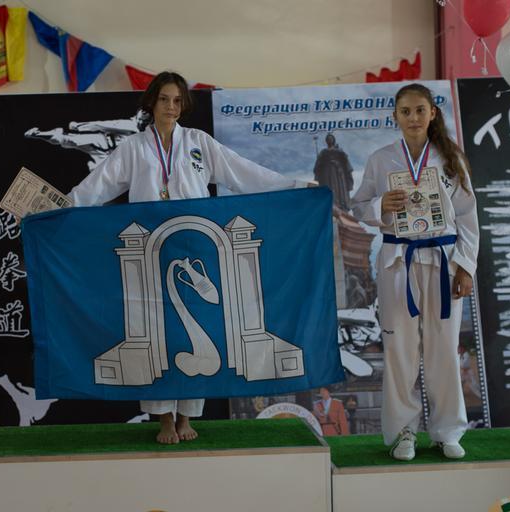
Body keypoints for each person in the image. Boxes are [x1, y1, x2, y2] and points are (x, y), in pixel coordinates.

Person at [69, 71, 303, 444]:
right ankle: (163, 417)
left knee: (198, 329)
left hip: (196, 250)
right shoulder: (134, 148)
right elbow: (99, 185)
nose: (171, 107)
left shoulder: (198, 142)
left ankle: (187, 416)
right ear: (151, 102)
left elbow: (242, 173)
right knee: (157, 332)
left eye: (177, 100)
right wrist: (61, 206)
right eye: (164, 99)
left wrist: (295, 187)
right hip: (150, 251)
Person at [351, 83, 479, 461]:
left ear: (432, 113)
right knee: (400, 350)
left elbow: (468, 216)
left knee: (444, 349)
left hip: (443, 260)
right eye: (405, 111)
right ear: (395, 116)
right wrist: (380, 204)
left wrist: (466, 266)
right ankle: (403, 432)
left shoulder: (450, 158)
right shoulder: (381, 159)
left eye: (420, 110)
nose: (413, 118)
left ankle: (447, 430)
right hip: (398, 261)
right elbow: (358, 207)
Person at [313, 133, 354, 211]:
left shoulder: (339, 150)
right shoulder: (323, 151)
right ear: (326, 141)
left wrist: (340, 152)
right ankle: (331, 203)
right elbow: (319, 163)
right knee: (328, 186)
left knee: (339, 187)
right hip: (326, 172)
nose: (329, 139)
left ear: (333, 140)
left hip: (338, 171)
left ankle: (341, 204)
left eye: (331, 138)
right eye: (328, 138)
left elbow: (345, 159)